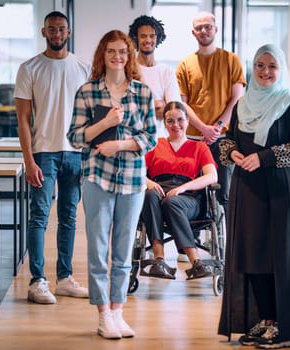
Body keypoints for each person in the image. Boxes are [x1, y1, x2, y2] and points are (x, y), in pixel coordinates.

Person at [217, 44, 290, 349]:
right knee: (253, 254)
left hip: (282, 192)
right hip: (248, 191)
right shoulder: (244, 104)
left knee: (279, 257)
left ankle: (286, 328)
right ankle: (267, 320)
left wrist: (265, 158)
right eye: (260, 65)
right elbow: (228, 138)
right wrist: (231, 152)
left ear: (281, 69)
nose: (265, 72)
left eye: (272, 66)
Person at [67, 30, 156, 340]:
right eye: (111, 52)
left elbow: (151, 138)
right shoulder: (87, 91)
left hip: (132, 180)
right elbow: (75, 137)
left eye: (122, 51)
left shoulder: (143, 93)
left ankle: (118, 312)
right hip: (96, 177)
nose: (117, 56)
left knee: (122, 251)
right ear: (102, 56)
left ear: (129, 56)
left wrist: (119, 145)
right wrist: (105, 124)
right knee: (98, 249)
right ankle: (103, 313)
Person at [14, 11, 90, 304]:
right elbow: (22, 119)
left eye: (61, 29)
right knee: (39, 217)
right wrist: (29, 160)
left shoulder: (83, 68)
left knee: (69, 218)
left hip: (75, 153)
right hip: (43, 153)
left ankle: (65, 278)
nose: (57, 34)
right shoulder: (29, 68)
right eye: (52, 29)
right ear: (43, 32)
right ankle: (37, 281)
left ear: (68, 32)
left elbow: (91, 114)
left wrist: (88, 154)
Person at [128, 14, 195, 263]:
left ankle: (181, 247)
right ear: (136, 38)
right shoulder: (128, 70)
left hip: (164, 144)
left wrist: (156, 106)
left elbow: (172, 109)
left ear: (158, 39)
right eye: (143, 35)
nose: (147, 40)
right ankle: (154, 251)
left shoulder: (165, 72)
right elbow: (129, 110)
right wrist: (154, 105)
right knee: (144, 197)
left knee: (169, 194)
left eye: (152, 36)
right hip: (137, 146)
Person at [176, 11, 246, 217]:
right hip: (192, 139)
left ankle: (228, 245)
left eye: (207, 26)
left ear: (215, 29)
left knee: (224, 193)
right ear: (193, 32)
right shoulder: (185, 65)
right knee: (192, 192)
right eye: (199, 28)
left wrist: (216, 127)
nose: (203, 31)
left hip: (223, 138)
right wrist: (203, 128)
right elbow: (182, 103)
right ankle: (192, 243)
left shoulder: (231, 60)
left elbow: (236, 98)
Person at [141, 101, 217, 280]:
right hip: (159, 191)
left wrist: (182, 188)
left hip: (189, 197)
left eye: (180, 120)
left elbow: (212, 176)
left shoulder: (199, 147)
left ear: (188, 121)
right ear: (165, 123)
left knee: (171, 201)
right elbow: (135, 170)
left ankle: (196, 261)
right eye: (170, 121)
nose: (176, 125)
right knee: (150, 195)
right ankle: (159, 259)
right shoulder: (154, 145)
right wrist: (148, 182)